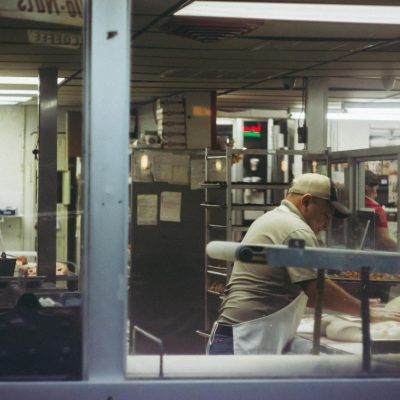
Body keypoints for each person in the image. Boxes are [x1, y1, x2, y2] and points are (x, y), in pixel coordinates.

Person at [207, 173, 389, 355]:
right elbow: (316, 290)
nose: (326, 223)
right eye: (326, 214)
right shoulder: (296, 229)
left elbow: (305, 293)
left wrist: (352, 305)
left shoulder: (275, 218)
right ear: (307, 201)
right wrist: (363, 310)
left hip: (240, 334)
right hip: (244, 340)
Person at [364, 170, 397, 251]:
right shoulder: (376, 209)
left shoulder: (352, 204)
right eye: (376, 186)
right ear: (367, 187)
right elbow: (384, 241)